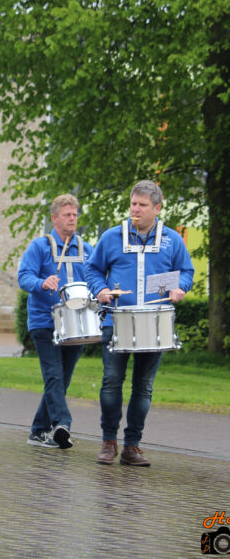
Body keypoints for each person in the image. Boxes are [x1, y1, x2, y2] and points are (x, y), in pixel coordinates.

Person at [85, 180, 194, 467]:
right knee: (111, 382)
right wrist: (100, 289)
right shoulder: (111, 237)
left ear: (157, 208)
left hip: (155, 321)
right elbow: (92, 269)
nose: (136, 209)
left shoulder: (172, 239)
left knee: (143, 387)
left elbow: (186, 271)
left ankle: (132, 445)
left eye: (142, 205)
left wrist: (180, 287)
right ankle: (109, 441)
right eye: (133, 203)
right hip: (116, 319)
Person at [18, 194, 93, 449]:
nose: (72, 219)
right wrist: (42, 282)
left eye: (75, 214)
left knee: (61, 379)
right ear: (54, 218)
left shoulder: (87, 249)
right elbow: (24, 276)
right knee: (53, 376)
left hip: (77, 323)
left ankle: (38, 431)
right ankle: (63, 423)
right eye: (67, 215)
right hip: (45, 321)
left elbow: (96, 276)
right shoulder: (40, 246)